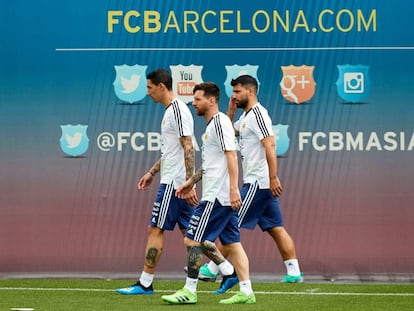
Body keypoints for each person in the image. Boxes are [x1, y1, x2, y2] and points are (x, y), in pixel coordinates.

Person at [199, 75, 304, 293]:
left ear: (251, 91)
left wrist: (273, 177)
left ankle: (212, 268)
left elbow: (271, 145)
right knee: (276, 228)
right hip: (260, 182)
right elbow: (227, 131)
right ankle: (294, 272)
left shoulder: (259, 114)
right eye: (233, 92)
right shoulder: (246, 116)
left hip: (258, 182)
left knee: (231, 223)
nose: (234, 96)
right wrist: (231, 111)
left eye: (238, 92)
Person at [161, 82, 256, 305]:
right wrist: (190, 181)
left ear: (211, 100)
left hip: (217, 197)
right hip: (220, 195)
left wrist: (233, 190)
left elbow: (231, 156)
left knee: (191, 240)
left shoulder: (220, 122)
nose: (193, 103)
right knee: (233, 244)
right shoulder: (212, 126)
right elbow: (211, 165)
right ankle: (246, 290)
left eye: (198, 99)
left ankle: (189, 290)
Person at [116, 69, 198, 295]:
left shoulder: (178, 111)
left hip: (174, 183)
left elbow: (188, 146)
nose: (148, 92)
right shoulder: (171, 111)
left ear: (162, 86)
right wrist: (152, 172)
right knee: (193, 236)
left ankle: (145, 283)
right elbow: (171, 151)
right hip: (177, 180)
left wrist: (189, 182)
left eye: (150, 87)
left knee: (155, 229)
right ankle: (227, 270)